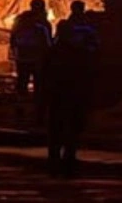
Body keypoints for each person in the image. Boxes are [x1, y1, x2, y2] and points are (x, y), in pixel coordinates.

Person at [40, 19, 98, 177]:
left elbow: (44, 75)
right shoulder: (76, 53)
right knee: (69, 129)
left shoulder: (53, 52)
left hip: (60, 96)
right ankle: (66, 159)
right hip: (69, 95)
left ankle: (57, 159)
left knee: (57, 129)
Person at [10, 0, 52, 95]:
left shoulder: (20, 19)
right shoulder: (42, 22)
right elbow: (48, 41)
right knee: (39, 82)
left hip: (22, 55)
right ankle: (37, 104)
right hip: (38, 57)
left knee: (22, 80)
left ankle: (20, 103)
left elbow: (13, 36)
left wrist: (14, 51)